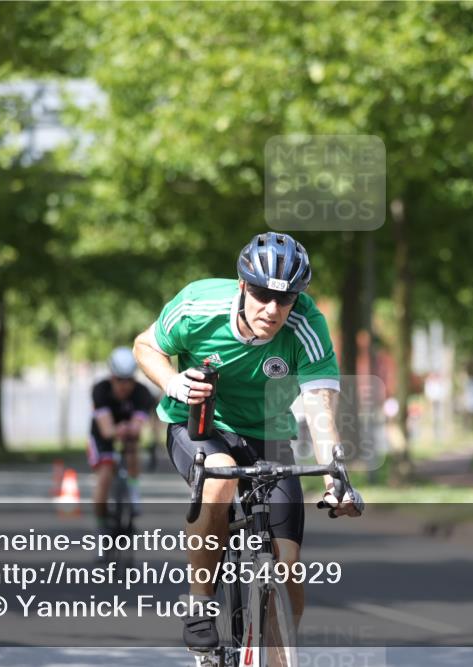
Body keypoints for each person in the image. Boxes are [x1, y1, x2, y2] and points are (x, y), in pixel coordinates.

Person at [134, 231, 363, 650]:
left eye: (286, 298)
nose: (272, 309)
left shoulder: (306, 324)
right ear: (242, 284)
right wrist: (173, 382)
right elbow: (145, 345)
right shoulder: (197, 305)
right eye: (261, 294)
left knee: (288, 568)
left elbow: (319, 405)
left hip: (269, 435)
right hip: (200, 425)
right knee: (219, 475)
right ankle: (201, 604)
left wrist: (336, 476)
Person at [89, 347, 156, 532]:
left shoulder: (142, 392)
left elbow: (137, 425)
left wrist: (131, 429)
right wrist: (119, 429)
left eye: (129, 380)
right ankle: (101, 527)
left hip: (127, 434)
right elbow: (106, 430)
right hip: (103, 436)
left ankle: (133, 492)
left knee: (133, 445)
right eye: (119, 380)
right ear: (112, 377)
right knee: (104, 476)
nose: (124, 385)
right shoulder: (100, 390)